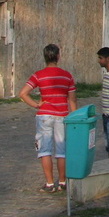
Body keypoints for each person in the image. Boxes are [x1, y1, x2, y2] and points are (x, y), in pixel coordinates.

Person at [18, 43, 77, 193]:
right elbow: (72, 100)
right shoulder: (66, 75)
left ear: (45, 57)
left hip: (44, 115)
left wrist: (36, 104)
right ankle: (63, 181)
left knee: (44, 150)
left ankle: (50, 183)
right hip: (62, 115)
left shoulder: (38, 75)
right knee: (61, 151)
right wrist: (74, 117)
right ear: (58, 56)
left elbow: (23, 93)